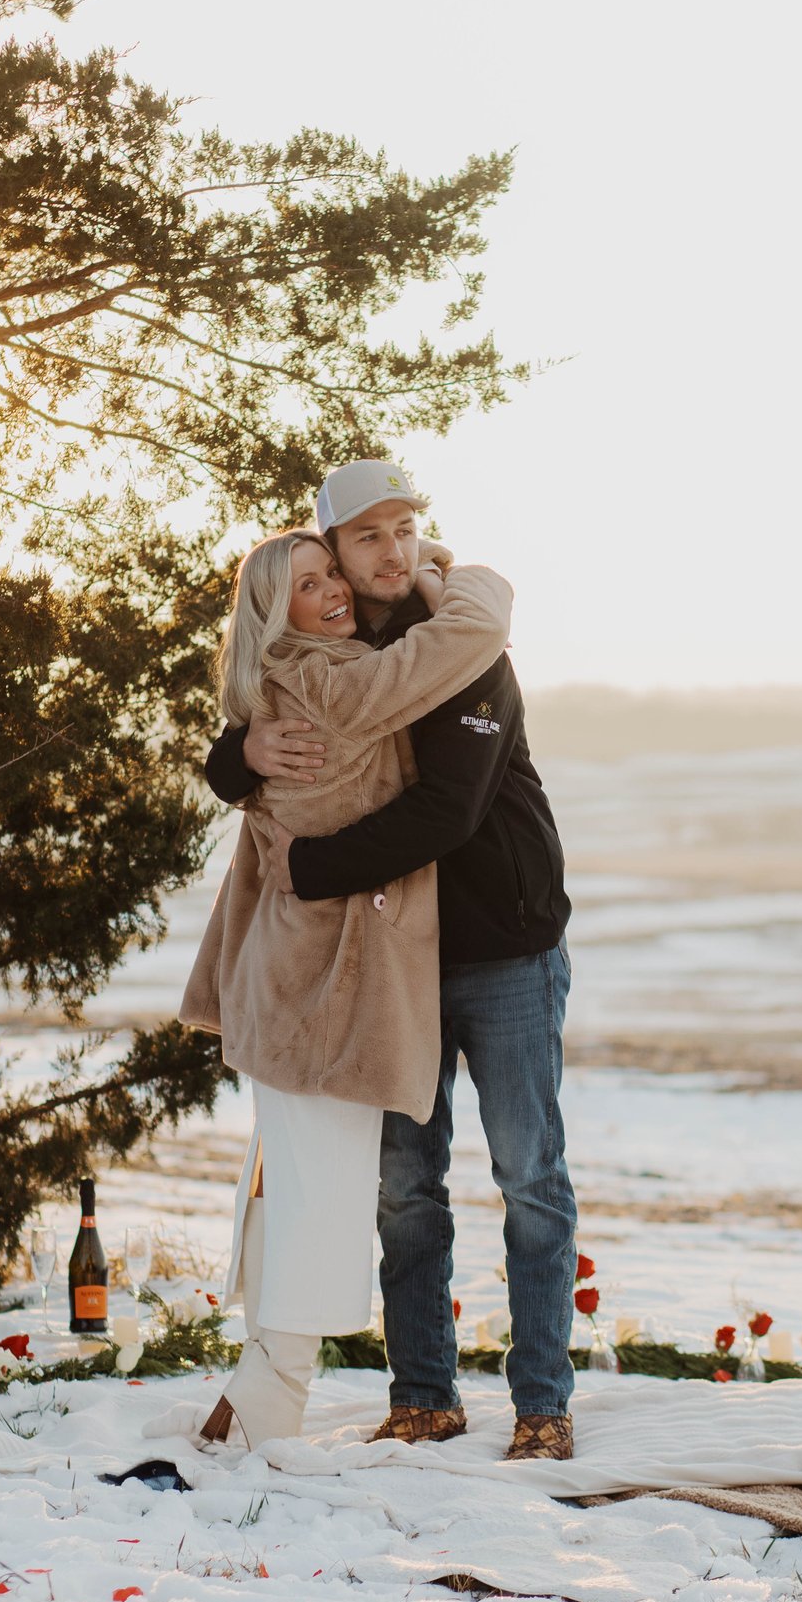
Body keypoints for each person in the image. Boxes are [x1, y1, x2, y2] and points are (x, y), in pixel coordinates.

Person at [204, 460, 578, 1463]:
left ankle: (542, 1400)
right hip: (394, 962)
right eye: (365, 537)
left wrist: (311, 865)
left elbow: (446, 810)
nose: (390, 551)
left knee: (529, 1176)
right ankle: (424, 1393)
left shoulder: (463, 648)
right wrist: (241, 758)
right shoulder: (326, 650)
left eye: (405, 528)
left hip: (503, 942)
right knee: (407, 1188)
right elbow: (237, 735)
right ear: (329, 547)